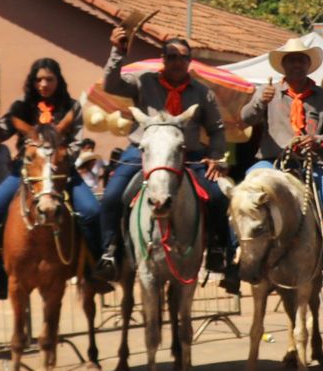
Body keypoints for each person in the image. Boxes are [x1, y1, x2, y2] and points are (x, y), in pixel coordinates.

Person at [98, 31, 234, 288]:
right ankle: (110, 253)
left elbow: (216, 130)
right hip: (144, 152)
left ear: (189, 61)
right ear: (163, 59)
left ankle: (219, 252)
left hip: (190, 156)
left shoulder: (203, 93)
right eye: (171, 56)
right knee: (113, 196)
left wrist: (216, 158)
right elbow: (111, 84)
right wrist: (117, 52)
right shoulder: (144, 82)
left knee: (218, 196)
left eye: (183, 57)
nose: (177, 62)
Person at [0, 59, 102, 304]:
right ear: (32, 81)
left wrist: (57, 159)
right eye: (39, 79)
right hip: (24, 173)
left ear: (58, 80)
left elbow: (75, 143)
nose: (43, 84)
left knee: (92, 212)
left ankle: (94, 271)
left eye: (49, 79)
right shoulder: (21, 107)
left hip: (62, 173)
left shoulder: (71, 107)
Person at [239, 39, 323, 298]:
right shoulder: (268, 92)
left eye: (301, 59)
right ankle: (239, 262)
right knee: (244, 196)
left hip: (312, 164)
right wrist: (260, 103)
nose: (296, 64)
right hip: (273, 163)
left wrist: (319, 140)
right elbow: (244, 118)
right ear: (283, 65)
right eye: (291, 60)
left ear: (309, 65)